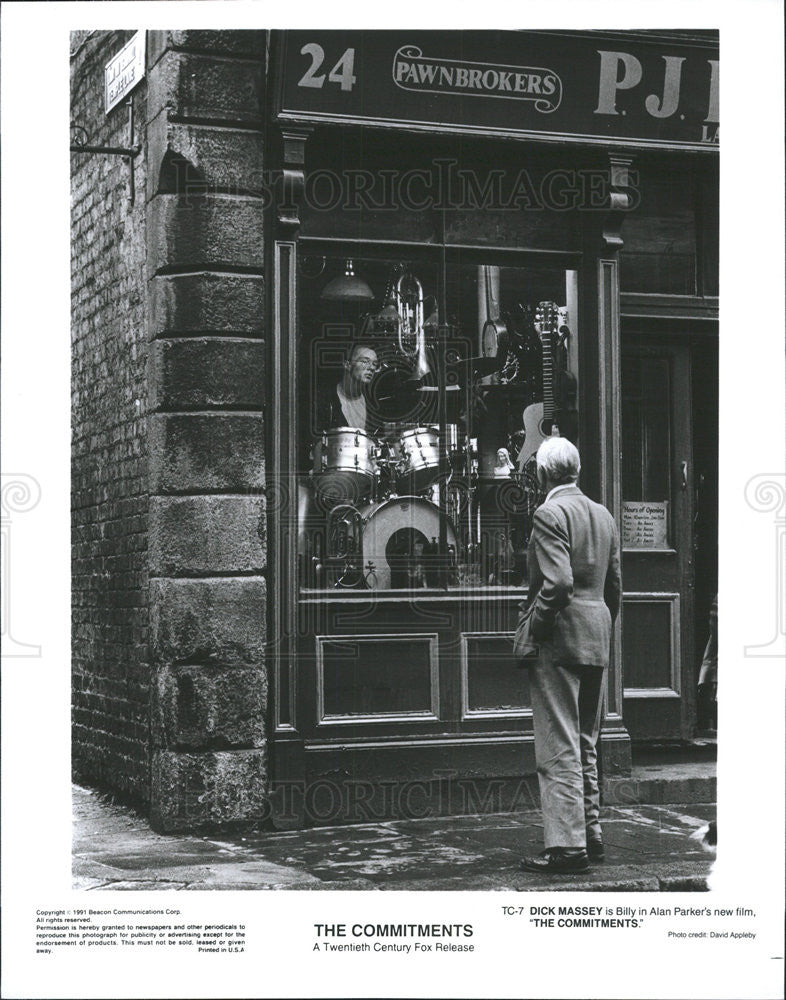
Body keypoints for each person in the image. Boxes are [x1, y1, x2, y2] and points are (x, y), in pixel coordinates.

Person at [517, 436, 621, 874]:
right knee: (586, 741)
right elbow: (614, 586)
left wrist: (534, 630)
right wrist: (599, 622)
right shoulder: (603, 515)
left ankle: (566, 847)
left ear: (542, 474)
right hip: (597, 633)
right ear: (576, 470)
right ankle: (591, 835)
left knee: (558, 744)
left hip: (558, 638)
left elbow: (556, 586)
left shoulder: (549, 513)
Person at [314, 342, 382, 435]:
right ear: (347, 365)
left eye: (375, 364)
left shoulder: (373, 405)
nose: (371, 368)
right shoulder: (325, 399)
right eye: (365, 361)